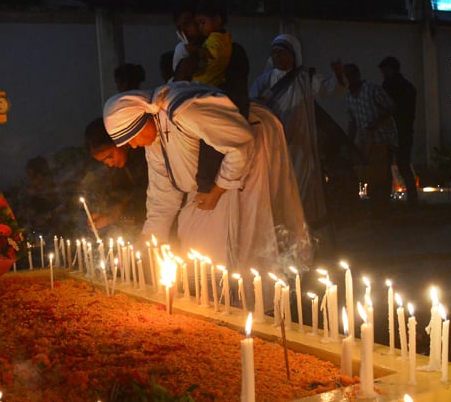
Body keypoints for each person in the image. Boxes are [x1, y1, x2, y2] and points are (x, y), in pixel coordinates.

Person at [103, 82, 252, 266]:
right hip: (210, 185)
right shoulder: (154, 138)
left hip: (244, 167)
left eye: (132, 138)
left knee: (232, 249)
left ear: (144, 121)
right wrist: (149, 237)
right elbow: (162, 192)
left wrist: (218, 190)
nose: (133, 146)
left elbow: (240, 143)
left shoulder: (183, 110)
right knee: (191, 238)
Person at [249, 34, 345, 241]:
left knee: (302, 187)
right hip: (273, 146)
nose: (277, 56)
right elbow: (253, 107)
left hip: (300, 146)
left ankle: (304, 235)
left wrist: (338, 74)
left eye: (282, 52)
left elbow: (332, 89)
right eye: (274, 53)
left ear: (293, 56)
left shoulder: (306, 79)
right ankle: (279, 236)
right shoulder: (264, 81)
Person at [344, 63, 398, 214]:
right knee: (369, 173)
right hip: (365, 140)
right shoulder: (348, 96)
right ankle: (376, 206)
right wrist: (350, 142)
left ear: (355, 76)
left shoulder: (371, 89)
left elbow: (391, 107)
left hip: (382, 138)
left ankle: (383, 206)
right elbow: (352, 121)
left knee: (381, 174)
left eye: (348, 77)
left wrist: (377, 122)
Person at [83, 117, 148, 233]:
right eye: (103, 161)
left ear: (120, 140)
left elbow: (143, 194)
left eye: (109, 156)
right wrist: (106, 213)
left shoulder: (146, 155)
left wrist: (113, 215)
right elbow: (121, 193)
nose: (109, 163)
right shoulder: (119, 168)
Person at [379, 56, 418, 205]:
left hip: (395, 131)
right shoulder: (407, 87)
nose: (383, 74)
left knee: (392, 164)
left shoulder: (392, 87)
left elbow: (388, 108)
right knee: (402, 164)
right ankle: (411, 199)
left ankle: (387, 199)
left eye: (385, 71)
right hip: (403, 130)